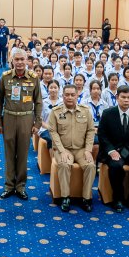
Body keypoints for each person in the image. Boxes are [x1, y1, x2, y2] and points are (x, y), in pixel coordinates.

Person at [0, 49, 42, 200]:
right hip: (8, 118)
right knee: (9, 154)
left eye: (23, 59)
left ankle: (20, 186)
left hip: (26, 119)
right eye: (17, 59)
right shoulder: (5, 77)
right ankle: (9, 185)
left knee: (22, 154)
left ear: (27, 60)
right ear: (12, 61)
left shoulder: (34, 78)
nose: (20, 62)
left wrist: (38, 122)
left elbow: (39, 101)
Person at [96, 86, 129, 214]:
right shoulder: (108, 113)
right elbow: (102, 135)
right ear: (117, 98)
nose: (126, 100)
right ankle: (117, 199)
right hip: (113, 151)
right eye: (123, 97)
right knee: (116, 166)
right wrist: (110, 150)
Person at [47, 85, 96, 213]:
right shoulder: (56, 112)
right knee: (64, 164)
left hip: (81, 149)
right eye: (67, 95)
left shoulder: (86, 111)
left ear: (77, 96)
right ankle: (65, 197)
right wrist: (62, 150)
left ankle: (86, 198)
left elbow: (91, 131)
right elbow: (53, 132)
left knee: (91, 166)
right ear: (62, 96)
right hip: (63, 149)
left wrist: (88, 150)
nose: (69, 98)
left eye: (72, 95)